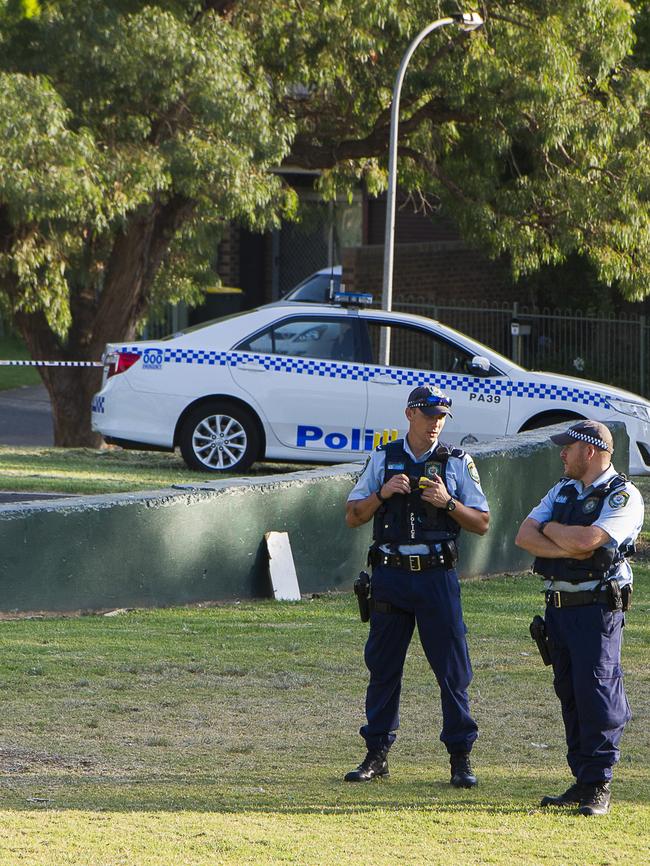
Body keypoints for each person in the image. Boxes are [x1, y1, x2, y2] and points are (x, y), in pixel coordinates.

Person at [344, 384, 490, 787]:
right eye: (429, 415)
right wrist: (382, 493)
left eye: (442, 417)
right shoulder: (383, 458)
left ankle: (460, 758)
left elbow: (481, 522)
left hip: (436, 577)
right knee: (383, 667)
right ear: (410, 415)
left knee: (452, 671)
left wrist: (447, 502)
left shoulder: (457, 463)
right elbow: (353, 516)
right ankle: (377, 754)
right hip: (390, 577)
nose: (436, 424)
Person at [515, 420, 643, 816]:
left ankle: (600, 783)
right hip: (559, 609)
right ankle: (582, 779)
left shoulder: (623, 495)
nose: (561, 453)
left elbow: (592, 541)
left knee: (598, 694)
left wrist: (553, 534)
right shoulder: (562, 490)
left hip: (597, 610)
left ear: (589, 451)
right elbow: (524, 535)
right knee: (570, 693)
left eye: (567, 447)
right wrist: (565, 538)